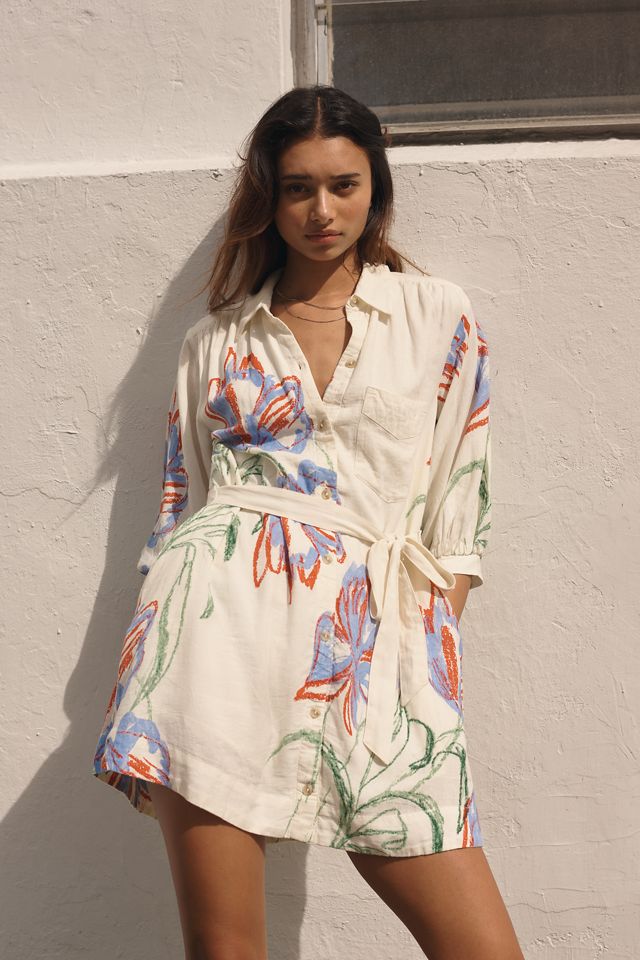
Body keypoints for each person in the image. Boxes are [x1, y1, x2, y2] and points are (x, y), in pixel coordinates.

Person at [92, 84, 524, 960]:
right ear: (270, 196)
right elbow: (182, 506)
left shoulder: (436, 313)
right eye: (297, 188)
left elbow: (459, 514)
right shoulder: (216, 341)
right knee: (227, 951)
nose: (322, 211)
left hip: (374, 644)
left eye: (343, 185)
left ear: (375, 189)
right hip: (214, 646)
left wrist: (411, 662)